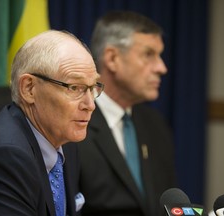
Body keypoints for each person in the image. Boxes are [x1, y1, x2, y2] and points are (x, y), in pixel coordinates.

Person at [0, 30, 104, 215]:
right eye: (75, 88)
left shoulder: (65, 141)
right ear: (29, 88)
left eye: (93, 87)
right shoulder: (4, 157)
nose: (90, 105)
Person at [75, 11, 177, 216]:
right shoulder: (74, 123)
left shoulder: (155, 124)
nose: (162, 67)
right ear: (112, 58)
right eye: (148, 54)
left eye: (160, 55)